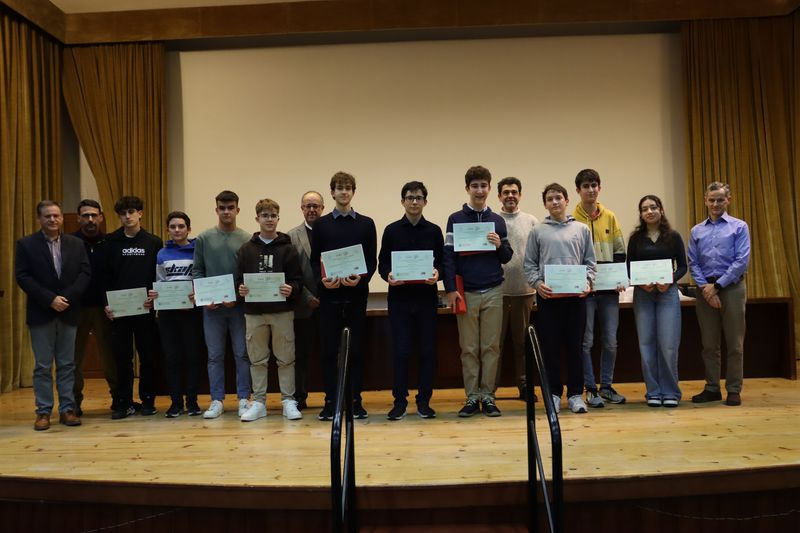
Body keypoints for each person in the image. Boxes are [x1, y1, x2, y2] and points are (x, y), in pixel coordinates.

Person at [443, 165, 513, 417]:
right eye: (475, 186)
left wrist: (498, 245)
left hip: (494, 289)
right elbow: (448, 257)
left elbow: (507, 256)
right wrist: (450, 289)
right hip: (467, 292)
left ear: (489, 188)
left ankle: (489, 396)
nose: (479, 190)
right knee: (469, 348)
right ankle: (472, 397)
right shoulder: (455, 219)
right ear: (467, 188)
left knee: (491, 347)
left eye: (484, 185)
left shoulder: (498, 220)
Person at [15, 200, 90, 430]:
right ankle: (43, 411)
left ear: (61, 218)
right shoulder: (26, 244)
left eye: (56, 215)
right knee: (43, 366)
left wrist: (65, 298)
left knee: (68, 364)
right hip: (41, 312)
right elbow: (23, 276)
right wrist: (49, 299)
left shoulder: (76, 244)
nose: (53, 219)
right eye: (47, 216)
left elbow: (85, 273)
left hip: (68, 311)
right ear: (39, 219)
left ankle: (68, 409)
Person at [523, 183, 595, 415]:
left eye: (558, 198)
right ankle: (553, 393)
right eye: (550, 199)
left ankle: (575, 394)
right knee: (550, 348)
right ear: (545, 204)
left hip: (576, 300)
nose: (555, 202)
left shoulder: (582, 230)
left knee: (576, 347)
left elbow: (590, 263)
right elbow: (529, 264)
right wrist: (537, 284)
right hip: (549, 299)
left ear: (566, 201)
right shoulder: (538, 231)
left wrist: (588, 283)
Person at [311, 171, 377, 421]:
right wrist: (322, 282)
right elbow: (314, 260)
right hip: (329, 299)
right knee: (328, 352)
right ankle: (330, 402)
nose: (343, 192)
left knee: (356, 351)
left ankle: (355, 401)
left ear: (353, 192)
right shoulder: (322, 224)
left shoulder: (366, 223)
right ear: (332, 192)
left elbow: (371, 260)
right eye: (339, 188)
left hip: (357, 296)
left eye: (348, 188)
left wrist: (362, 278)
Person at [378, 180, 444, 420]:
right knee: (401, 351)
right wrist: (388, 275)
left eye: (418, 198)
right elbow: (382, 262)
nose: (414, 202)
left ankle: (424, 402)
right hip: (400, 300)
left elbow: (442, 263)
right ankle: (399, 402)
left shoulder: (434, 231)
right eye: (410, 197)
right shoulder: (392, 230)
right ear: (402, 201)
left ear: (425, 202)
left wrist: (438, 274)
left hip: (427, 299)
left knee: (427, 351)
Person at [236, 198, 304, 421]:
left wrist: (290, 288)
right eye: (264, 215)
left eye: (273, 215)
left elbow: (298, 281)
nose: (269, 219)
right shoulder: (245, 250)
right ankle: (259, 402)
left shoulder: (288, 249)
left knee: (286, 359)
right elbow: (237, 281)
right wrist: (241, 288)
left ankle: (288, 401)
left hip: (282, 312)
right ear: (257, 219)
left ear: (278, 218)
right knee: (257, 360)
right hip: (254, 313)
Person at [688, 182, 751, 406]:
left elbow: (741, 261)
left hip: (732, 289)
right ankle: (712, 387)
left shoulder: (740, 227)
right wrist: (707, 288)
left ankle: (733, 389)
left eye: (720, 200)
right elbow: (693, 263)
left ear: (728, 200)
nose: (715, 204)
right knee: (709, 344)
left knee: (735, 343)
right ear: (705, 200)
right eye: (712, 200)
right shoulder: (697, 230)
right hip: (705, 291)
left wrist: (718, 286)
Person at [193, 190, 252, 419]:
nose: (226, 212)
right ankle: (217, 400)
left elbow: (248, 274)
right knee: (215, 355)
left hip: (238, 308)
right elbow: (197, 270)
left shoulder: (247, 238)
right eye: (222, 208)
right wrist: (204, 298)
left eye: (230, 208)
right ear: (216, 209)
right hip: (212, 310)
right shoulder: (204, 238)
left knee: (242, 354)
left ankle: (244, 399)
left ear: (237, 210)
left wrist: (237, 298)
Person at [104, 196, 163, 419]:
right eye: (123, 213)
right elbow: (105, 276)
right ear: (119, 216)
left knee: (148, 357)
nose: (127, 216)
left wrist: (154, 298)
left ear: (141, 213)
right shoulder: (110, 242)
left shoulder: (153, 242)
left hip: (145, 309)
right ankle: (124, 402)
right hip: (119, 312)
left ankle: (148, 400)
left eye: (131, 212)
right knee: (122, 357)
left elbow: (158, 275)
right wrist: (106, 304)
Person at [572, 169, 627, 408]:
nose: (590, 189)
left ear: (599, 188)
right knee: (586, 341)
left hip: (608, 292)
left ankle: (606, 386)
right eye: (586, 186)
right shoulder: (571, 219)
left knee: (611, 341)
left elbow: (620, 251)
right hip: (584, 293)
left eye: (594, 185)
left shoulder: (610, 217)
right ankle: (590, 389)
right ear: (578, 190)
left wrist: (618, 278)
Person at [627, 195, 687, 407]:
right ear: (641, 214)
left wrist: (670, 280)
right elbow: (629, 267)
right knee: (646, 344)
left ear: (661, 210)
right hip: (643, 295)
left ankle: (671, 391)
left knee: (669, 344)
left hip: (667, 294)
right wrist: (640, 283)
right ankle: (653, 391)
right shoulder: (635, 238)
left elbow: (682, 266)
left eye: (653, 207)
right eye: (645, 209)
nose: (649, 211)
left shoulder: (673, 236)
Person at [148, 211, 204, 417]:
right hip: (168, 315)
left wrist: (198, 294)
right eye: (173, 227)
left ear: (189, 229)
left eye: (181, 226)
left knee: (192, 357)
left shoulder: (197, 251)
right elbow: (160, 281)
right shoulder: (162, 254)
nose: (177, 230)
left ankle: (192, 402)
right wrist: (157, 294)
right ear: (168, 230)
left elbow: (201, 277)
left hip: (192, 313)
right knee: (172, 358)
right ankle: (175, 403)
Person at [494, 176, 539, 400]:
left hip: (525, 292)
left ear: (520, 195)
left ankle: (524, 386)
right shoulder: (492, 220)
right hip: (497, 293)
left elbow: (539, 254)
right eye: (506, 192)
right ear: (499, 196)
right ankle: (490, 390)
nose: (510, 195)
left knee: (522, 344)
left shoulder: (531, 220)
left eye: (514, 192)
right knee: (495, 345)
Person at [72, 199, 118, 415]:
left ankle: (118, 399)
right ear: (79, 218)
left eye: (94, 215)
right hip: (76, 308)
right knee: (72, 358)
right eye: (85, 215)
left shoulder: (110, 243)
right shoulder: (68, 243)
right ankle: (72, 403)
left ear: (101, 217)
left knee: (111, 356)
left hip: (105, 308)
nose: (90, 220)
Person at [286, 191, 325, 411]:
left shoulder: (331, 231)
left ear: (323, 208)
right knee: (300, 355)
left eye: (316, 206)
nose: (312, 209)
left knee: (331, 353)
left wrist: (325, 296)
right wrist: (308, 297)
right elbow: (291, 273)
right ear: (301, 208)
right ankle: (299, 397)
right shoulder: (291, 236)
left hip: (330, 304)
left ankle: (333, 397)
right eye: (307, 205)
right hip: (302, 307)